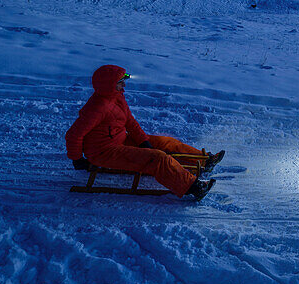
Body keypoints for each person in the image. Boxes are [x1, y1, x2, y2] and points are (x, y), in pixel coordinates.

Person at [66, 65, 222, 200]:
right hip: (103, 152)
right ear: (109, 85)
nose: (124, 86)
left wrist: (143, 141)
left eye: (123, 82)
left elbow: (130, 122)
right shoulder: (97, 108)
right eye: (120, 83)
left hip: (120, 140)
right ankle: (194, 188)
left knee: (165, 142)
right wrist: (77, 159)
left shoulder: (117, 98)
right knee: (157, 158)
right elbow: (74, 134)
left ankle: (204, 161)